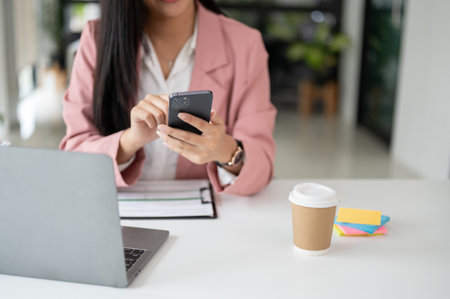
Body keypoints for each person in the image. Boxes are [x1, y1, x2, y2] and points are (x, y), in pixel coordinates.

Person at [60, 0, 276, 196]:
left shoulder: (245, 44)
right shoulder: (96, 38)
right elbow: (73, 159)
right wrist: (131, 140)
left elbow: (262, 167)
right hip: (116, 215)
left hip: (209, 224)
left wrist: (224, 149)